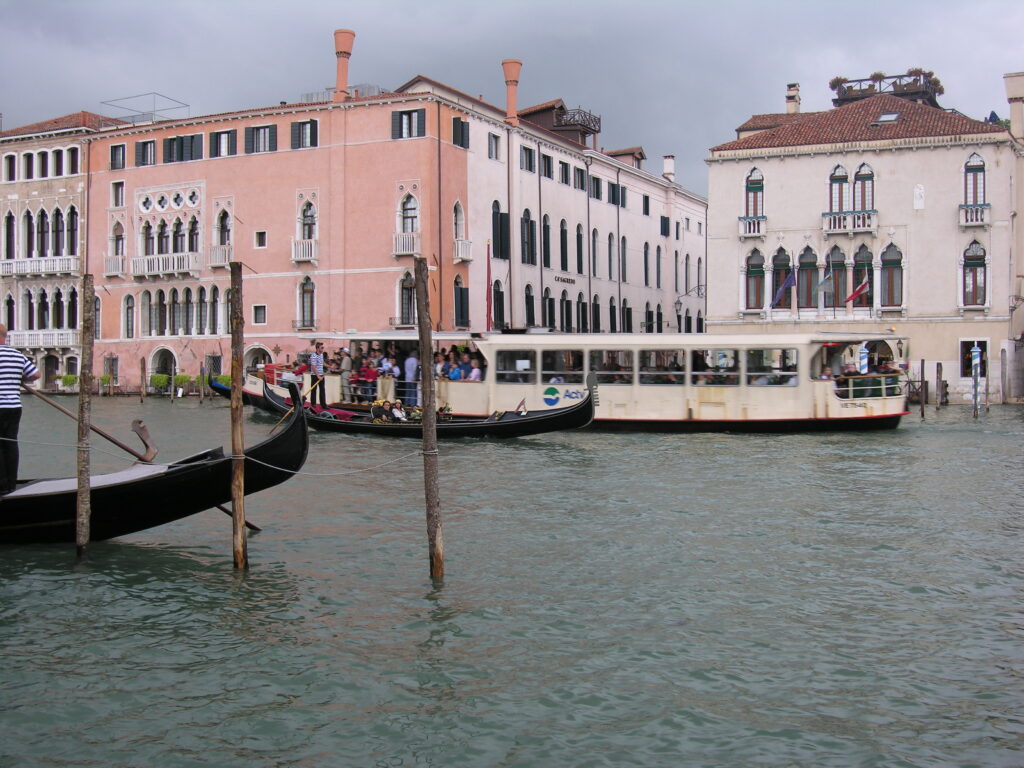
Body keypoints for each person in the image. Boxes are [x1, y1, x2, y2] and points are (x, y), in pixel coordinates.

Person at [0, 325, 40, 495]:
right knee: (10, 444)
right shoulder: (16, 355)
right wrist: (17, 377)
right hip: (14, 406)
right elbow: (36, 375)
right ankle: (11, 484)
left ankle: (2, 486)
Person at [306, 342, 327, 409]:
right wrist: (318, 376)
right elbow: (313, 367)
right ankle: (313, 404)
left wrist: (329, 366)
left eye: (323, 347)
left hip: (321, 374)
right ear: (317, 348)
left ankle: (323, 405)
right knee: (314, 390)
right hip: (315, 375)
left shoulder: (321, 355)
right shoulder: (313, 356)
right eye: (322, 348)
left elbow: (322, 363)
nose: (323, 349)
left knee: (322, 390)